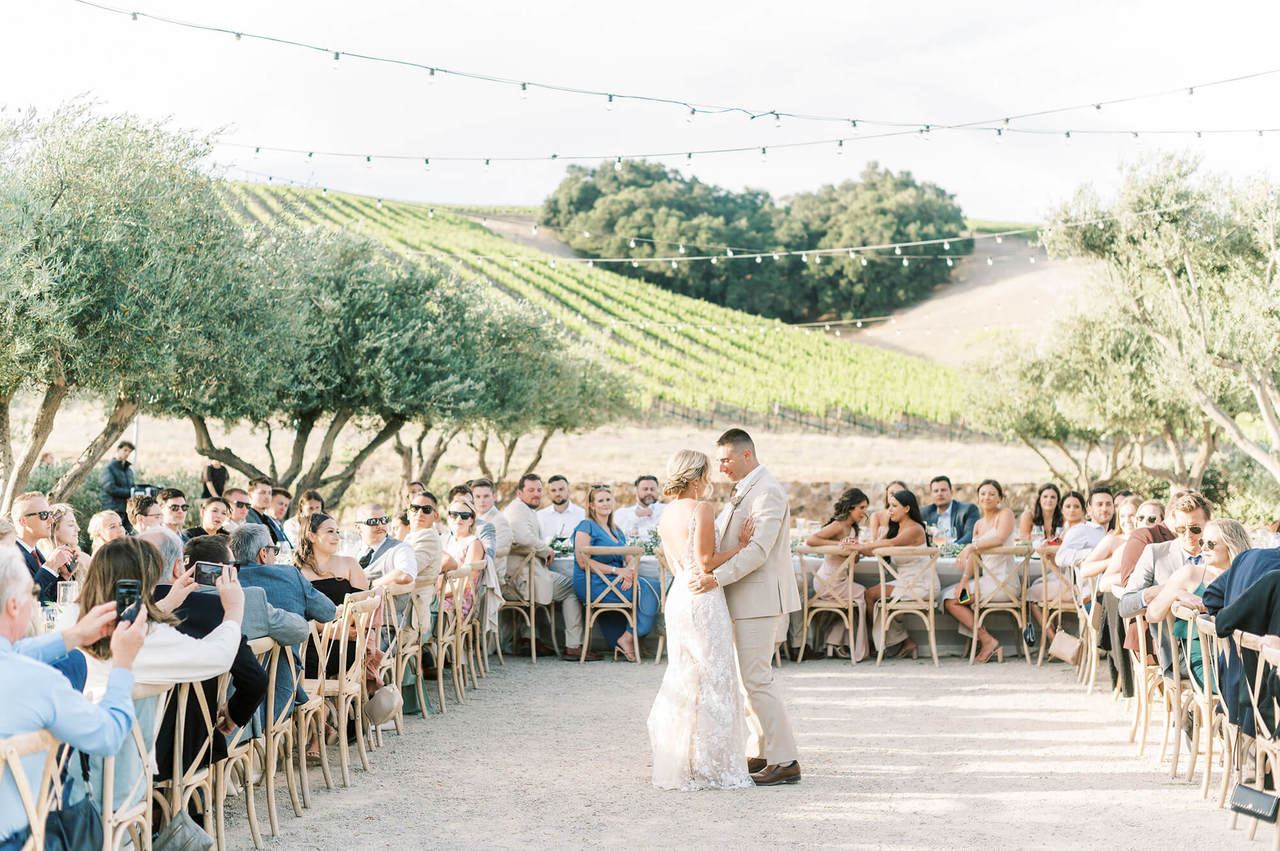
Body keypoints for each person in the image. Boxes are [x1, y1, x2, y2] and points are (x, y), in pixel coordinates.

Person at [73, 537, 242, 821]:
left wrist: (167, 603)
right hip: (118, 779)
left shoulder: (69, 622)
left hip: (58, 776)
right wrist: (234, 610)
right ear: (145, 583)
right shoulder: (147, 636)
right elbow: (217, 657)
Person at [0, 547, 147, 849]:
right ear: (14, 606)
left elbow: (11, 654)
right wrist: (122, 665)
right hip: (19, 838)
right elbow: (108, 736)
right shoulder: (40, 681)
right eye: (34, 591)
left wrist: (75, 635)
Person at [689, 429, 802, 786]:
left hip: (758, 598)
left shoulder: (767, 491)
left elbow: (758, 551)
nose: (720, 467)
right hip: (743, 597)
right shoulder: (746, 489)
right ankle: (763, 750)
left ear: (746, 455)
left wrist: (715, 578)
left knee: (757, 678)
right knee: (746, 680)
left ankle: (786, 760)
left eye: (725, 459)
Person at [649, 449, 756, 791]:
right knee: (715, 678)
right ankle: (714, 765)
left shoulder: (666, 515)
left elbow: (681, 561)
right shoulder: (701, 508)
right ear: (697, 477)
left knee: (684, 677)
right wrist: (741, 546)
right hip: (702, 598)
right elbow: (707, 562)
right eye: (707, 473)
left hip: (679, 596)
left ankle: (683, 760)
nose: (710, 479)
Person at [232, 523, 338, 721]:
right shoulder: (289, 575)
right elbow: (328, 612)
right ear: (263, 553)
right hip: (279, 693)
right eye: (274, 550)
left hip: (231, 695)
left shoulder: (225, 581)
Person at [1147, 518, 1250, 687]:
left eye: (1210, 544)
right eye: (1202, 542)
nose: (1202, 548)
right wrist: (1176, 593)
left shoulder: (1246, 576)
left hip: (1244, 655)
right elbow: (1152, 614)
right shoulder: (1191, 574)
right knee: (1253, 688)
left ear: (1231, 545)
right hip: (1205, 659)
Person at [503, 474, 593, 661]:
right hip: (521, 580)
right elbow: (523, 539)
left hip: (521, 575)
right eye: (531, 490)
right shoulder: (518, 511)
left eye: (538, 490)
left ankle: (530, 638)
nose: (536, 494)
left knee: (550, 579)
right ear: (520, 492)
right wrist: (546, 550)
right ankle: (573, 646)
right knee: (571, 588)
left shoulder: (521, 509)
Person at [572, 485, 660, 663]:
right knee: (647, 589)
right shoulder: (586, 525)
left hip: (614, 580)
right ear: (591, 505)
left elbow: (631, 557)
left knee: (653, 586)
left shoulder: (616, 530)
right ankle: (628, 637)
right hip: (593, 582)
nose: (605, 503)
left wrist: (629, 572)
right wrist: (617, 571)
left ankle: (629, 636)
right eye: (601, 500)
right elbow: (582, 561)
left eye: (608, 499)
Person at [852, 488, 935, 659]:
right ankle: (900, 642)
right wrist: (857, 547)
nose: (889, 509)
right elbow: (878, 548)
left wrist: (860, 547)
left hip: (920, 585)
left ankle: (879, 644)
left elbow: (891, 543)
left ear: (907, 508)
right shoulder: (896, 528)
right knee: (872, 596)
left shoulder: (915, 529)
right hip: (906, 582)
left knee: (870, 595)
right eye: (889, 505)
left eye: (894, 506)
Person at [942, 479, 1017, 663]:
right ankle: (986, 639)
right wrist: (964, 581)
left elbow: (999, 538)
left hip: (1003, 583)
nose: (987, 497)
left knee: (951, 600)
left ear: (999, 497)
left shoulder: (1005, 514)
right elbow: (975, 558)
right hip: (986, 582)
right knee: (951, 597)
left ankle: (987, 641)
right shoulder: (978, 524)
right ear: (978, 497)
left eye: (992, 494)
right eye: (983, 493)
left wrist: (971, 546)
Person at [1027, 487, 1114, 641]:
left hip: (1113, 593)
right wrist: (1096, 554)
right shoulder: (1081, 530)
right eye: (1099, 504)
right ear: (1089, 508)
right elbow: (1061, 557)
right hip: (1095, 599)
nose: (1104, 508)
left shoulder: (1113, 533)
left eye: (1108, 504)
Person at [1119, 492, 1212, 619]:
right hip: (1167, 637)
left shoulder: (1218, 554)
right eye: (1181, 529)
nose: (1188, 535)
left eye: (1195, 529)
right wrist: (1171, 590)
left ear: (1208, 525)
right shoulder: (1155, 553)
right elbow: (1125, 606)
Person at [802, 488, 870, 659]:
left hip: (841, 581)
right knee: (863, 595)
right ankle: (850, 645)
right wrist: (838, 545)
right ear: (851, 507)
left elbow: (853, 560)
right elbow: (811, 540)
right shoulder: (838, 525)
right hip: (827, 581)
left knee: (857, 599)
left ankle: (836, 642)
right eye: (861, 508)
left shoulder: (853, 529)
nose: (864, 512)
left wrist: (856, 551)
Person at [294, 513, 370, 607]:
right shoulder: (296, 571)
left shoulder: (350, 564)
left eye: (337, 532)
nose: (337, 538)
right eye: (330, 531)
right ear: (312, 536)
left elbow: (366, 608)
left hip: (349, 621)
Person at [12, 492, 74, 602]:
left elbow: (48, 601)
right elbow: (24, 600)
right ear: (23, 521)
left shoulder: (36, 553)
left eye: (50, 514)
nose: (51, 520)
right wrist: (51, 565)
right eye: (44, 515)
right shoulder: (10, 555)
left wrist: (64, 577)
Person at [441, 494, 487, 616]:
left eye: (464, 516)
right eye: (454, 514)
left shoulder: (474, 543)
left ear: (471, 520)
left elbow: (466, 582)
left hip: (457, 600)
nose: (458, 519)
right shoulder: (444, 540)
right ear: (448, 517)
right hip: (438, 592)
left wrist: (437, 594)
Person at [355, 503, 417, 591]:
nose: (380, 525)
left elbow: (405, 575)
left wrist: (371, 585)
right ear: (358, 528)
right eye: (373, 521)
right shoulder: (354, 550)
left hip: (382, 603)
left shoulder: (400, 548)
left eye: (384, 520)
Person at [470, 478, 513, 581]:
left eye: (486, 496)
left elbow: (500, 551)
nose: (482, 501)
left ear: (494, 497)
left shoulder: (500, 521)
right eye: (478, 497)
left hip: (491, 578)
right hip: (475, 571)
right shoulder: (473, 518)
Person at [921, 475, 979, 545]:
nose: (940, 494)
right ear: (931, 495)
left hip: (958, 553)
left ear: (951, 492)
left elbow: (970, 535)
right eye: (936, 491)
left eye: (943, 490)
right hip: (933, 554)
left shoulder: (967, 510)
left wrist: (951, 548)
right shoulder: (925, 513)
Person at [39, 503, 92, 580]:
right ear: (54, 529)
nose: (78, 529)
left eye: (76, 524)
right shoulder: (41, 562)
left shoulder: (84, 560)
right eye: (71, 525)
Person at [538, 475, 585, 546]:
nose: (557, 494)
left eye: (561, 489)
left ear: (569, 490)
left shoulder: (582, 515)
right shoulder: (540, 515)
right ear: (549, 493)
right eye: (553, 490)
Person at [99, 440, 136, 529]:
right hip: (112, 508)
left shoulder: (129, 470)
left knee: (127, 536)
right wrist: (130, 492)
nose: (127, 453)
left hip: (127, 509)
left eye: (129, 452)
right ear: (118, 450)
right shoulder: (109, 468)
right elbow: (109, 487)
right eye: (125, 450)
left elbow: (132, 487)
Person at [615, 475, 665, 539]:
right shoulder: (623, 513)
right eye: (645, 489)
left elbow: (665, 531)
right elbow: (619, 532)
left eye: (652, 489)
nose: (649, 492)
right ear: (636, 490)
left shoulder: (666, 510)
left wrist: (639, 531)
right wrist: (636, 515)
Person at [245, 478, 287, 544]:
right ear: (250, 495)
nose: (267, 497)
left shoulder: (270, 520)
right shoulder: (246, 517)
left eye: (269, 493)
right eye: (262, 492)